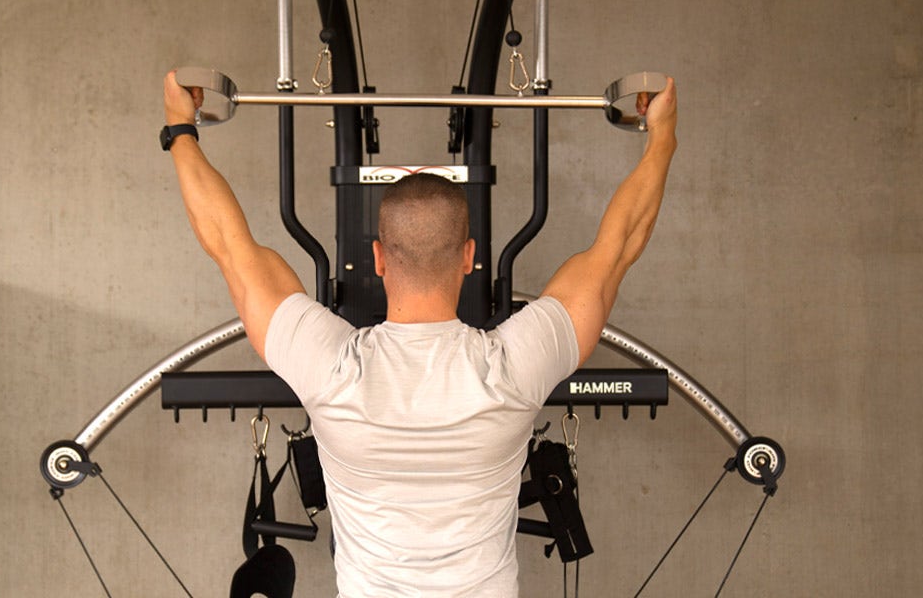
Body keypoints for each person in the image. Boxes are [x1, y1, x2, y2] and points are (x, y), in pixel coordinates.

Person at [162, 70, 677, 597]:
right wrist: (662, 137)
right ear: (471, 257)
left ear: (378, 259)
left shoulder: (332, 370)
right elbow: (617, 247)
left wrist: (181, 128)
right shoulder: (512, 369)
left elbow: (228, 242)